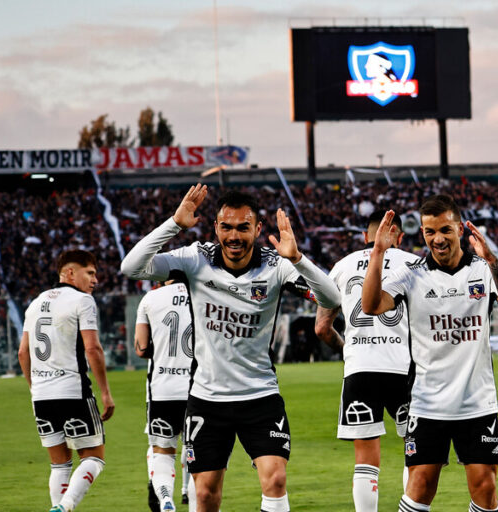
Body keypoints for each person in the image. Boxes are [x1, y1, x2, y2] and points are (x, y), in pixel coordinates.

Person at [120, 185, 340, 512]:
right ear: (216, 228)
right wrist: (174, 224)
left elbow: (332, 298)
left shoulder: (275, 266)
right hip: (208, 400)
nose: (234, 236)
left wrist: (298, 259)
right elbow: (131, 268)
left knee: (276, 479)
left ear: (257, 230)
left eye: (242, 227)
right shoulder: (196, 258)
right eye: (226, 227)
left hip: (260, 396)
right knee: (206, 494)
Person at [361, 195, 498, 512]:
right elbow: (370, 306)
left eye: (445, 230)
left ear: (461, 229)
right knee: (420, 486)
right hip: (427, 403)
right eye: (429, 232)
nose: (437, 239)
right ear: (422, 233)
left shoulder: (481, 270)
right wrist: (378, 252)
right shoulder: (411, 275)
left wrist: (492, 261)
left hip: (477, 402)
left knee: (486, 488)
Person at [314, 210, 418, 512]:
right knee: (414, 450)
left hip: (360, 369)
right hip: (404, 369)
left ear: (365, 236)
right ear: (397, 234)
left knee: (366, 459)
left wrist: (348, 347)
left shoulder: (342, 265)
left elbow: (322, 327)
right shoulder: (413, 263)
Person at [17, 250, 115, 512]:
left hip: (41, 395)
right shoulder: (82, 301)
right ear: (70, 272)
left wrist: (34, 387)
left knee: (59, 464)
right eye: (90, 273)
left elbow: (23, 352)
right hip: (73, 391)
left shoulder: (35, 303)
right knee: (94, 458)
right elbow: (92, 348)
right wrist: (105, 393)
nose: (95, 280)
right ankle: (66, 506)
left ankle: (58, 507)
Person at [135, 280, 194, 511]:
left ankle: (165, 497)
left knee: (162, 451)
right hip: (199, 388)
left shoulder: (150, 298)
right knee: (197, 453)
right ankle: (189, 497)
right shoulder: (205, 294)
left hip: (162, 389)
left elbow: (140, 349)